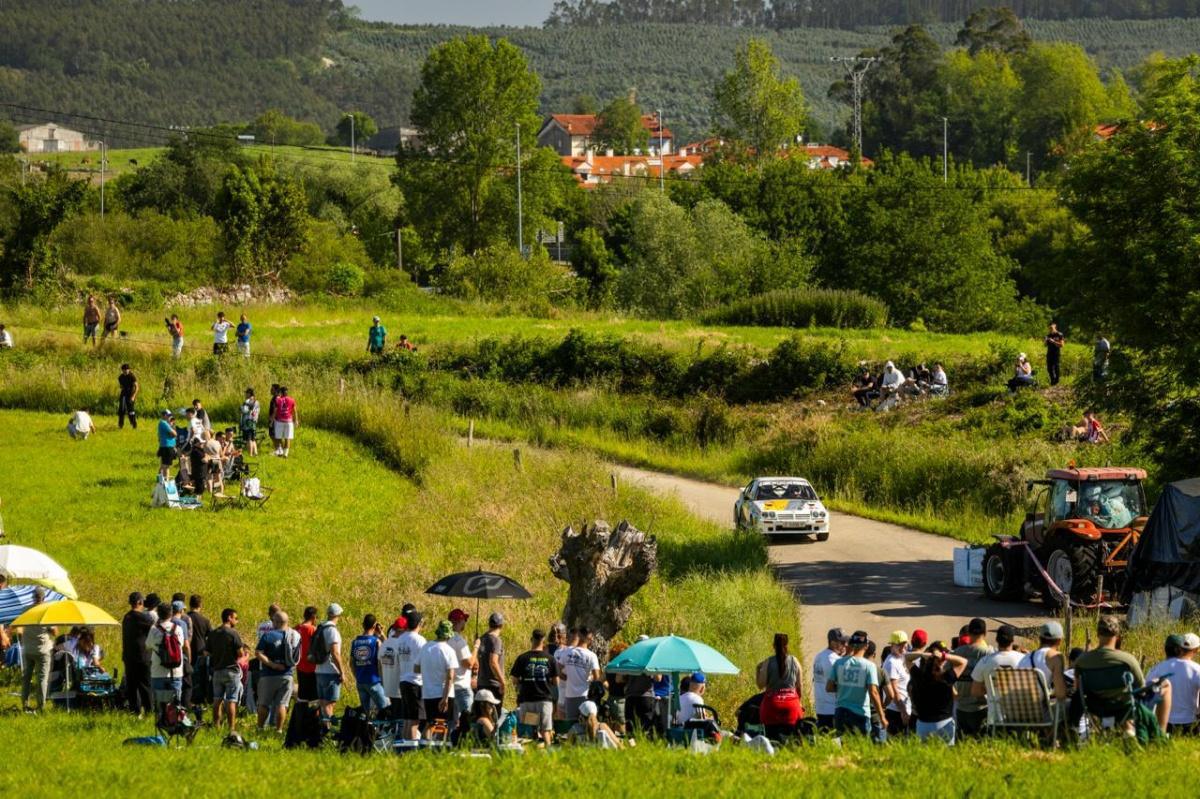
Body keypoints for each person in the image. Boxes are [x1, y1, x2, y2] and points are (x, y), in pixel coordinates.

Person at [1073, 615, 1171, 735]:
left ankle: (1126, 729)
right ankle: (1160, 733)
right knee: (1165, 684)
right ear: (1118, 636)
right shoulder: (1127, 660)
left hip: (1096, 708)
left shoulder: (1081, 661)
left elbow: (1078, 690)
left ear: (1098, 634)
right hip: (1124, 707)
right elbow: (1141, 688)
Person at [906, 641, 969, 744]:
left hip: (923, 724)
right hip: (943, 723)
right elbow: (963, 662)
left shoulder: (919, 676)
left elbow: (907, 658)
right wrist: (944, 656)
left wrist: (923, 654)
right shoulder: (947, 677)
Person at [828, 630, 885, 737]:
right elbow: (874, 692)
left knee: (845, 749)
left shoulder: (839, 663)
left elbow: (829, 687)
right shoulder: (869, 666)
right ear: (866, 646)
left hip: (841, 712)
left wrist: (845, 686)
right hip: (860, 714)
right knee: (860, 749)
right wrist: (882, 716)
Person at [510, 628, 559, 746]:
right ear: (544, 641)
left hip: (527, 700)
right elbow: (556, 681)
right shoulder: (550, 659)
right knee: (545, 730)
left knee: (529, 731)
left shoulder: (522, 658)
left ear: (531, 639)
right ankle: (548, 754)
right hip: (544, 700)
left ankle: (528, 755)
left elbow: (514, 679)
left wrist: (523, 682)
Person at [1147, 633, 1200, 735]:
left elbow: (1148, 694)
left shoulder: (1156, 669)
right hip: (1190, 722)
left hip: (1163, 722)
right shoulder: (1196, 669)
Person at [256, 611, 300, 732]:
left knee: (264, 703)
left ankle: (260, 728)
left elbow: (258, 653)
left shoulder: (268, 635)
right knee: (282, 704)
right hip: (287, 674)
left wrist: (272, 664)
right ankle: (279, 730)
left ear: (276, 622)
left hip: (268, 675)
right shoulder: (295, 635)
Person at [756, 632, 804, 740]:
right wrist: (799, 703)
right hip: (791, 706)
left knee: (771, 741)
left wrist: (757, 670)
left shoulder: (768, 662)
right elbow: (799, 686)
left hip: (771, 706)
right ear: (787, 646)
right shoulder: (795, 661)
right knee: (792, 743)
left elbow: (760, 685)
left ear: (773, 646)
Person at [952, 618, 993, 738]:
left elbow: (944, 676)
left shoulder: (957, 652)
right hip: (982, 706)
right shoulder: (989, 653)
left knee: (961, 744)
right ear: (985, 633)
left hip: (961, 706)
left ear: (969, 633)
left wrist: (953, 692)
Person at [969, 624, 1025, 709]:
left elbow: (975, 691)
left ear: (996, 640)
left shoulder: (985, 661)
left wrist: (989, 688)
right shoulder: (1023, 659)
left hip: (995, 716)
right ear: (1012, 641)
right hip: (1018, 713)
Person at [418, 620, 460, 734]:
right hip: (444, 693)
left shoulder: (426, 647)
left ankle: (425, 747)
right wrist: (445, 698)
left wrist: (428, 671)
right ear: (449, 635)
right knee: (443, 724)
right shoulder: (449, 651)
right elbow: (450, 677)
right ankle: (441, 748)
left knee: (430, 723)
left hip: (428, 693)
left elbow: (416, 669)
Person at [146, 606, 188, 716]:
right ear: (171, 614)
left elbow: (147, 645)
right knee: (176, 704)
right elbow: (182, 645)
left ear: (158, 614)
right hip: (175, 672)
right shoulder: (178, 628)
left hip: (158, 671)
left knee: (159, 704)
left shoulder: (154, 629)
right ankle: (174, 725)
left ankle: (161, 724)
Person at [19, 588, 56, 713]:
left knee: (26, 678)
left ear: (32, 597)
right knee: (41, 679)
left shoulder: (25, 610)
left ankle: (24, 705)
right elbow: (54, 632)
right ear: (43, 598)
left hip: (27, 649)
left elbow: (19, 627)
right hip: (42, 651)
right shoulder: (46, 612)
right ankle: (41, 706)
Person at [208, 608, 244, 731]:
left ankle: (216, 727)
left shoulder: (213, 633)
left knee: (217, 701)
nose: (237, 621)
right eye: (236, 618)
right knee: (231, 701)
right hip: (231, 671)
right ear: (229, 617)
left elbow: (207, 652)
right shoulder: (232, 633)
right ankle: (231, 728)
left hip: (217, 671)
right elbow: (240, 653)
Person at [1018, 621, 1068, 704]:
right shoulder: (1055, 657)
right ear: (1059, 641)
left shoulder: (1025, 658)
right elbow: (1061, 694)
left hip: (1016, 711)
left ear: (1039, 638)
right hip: (1041, 713)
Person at [121, 592, 155, 717]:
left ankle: (134, 711)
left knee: (132, 686)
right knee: (146, 685)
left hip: (129, 657)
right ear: (140, 602)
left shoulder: (127, 617)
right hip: (143, 657)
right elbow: (154, 629)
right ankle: (149, 711)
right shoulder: (143, 618)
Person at [312, 604, 345, 729]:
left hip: (319, 670)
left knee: (322, 702)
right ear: (337, 615)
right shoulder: (332, 630)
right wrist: (342, 671)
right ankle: (328, 731)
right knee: (329, 704)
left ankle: (322, 730)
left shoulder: (320, 628)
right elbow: (335, 653)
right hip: (330, 672)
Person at [559, 626, 602, 722]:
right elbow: (597, 678)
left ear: (579, 636)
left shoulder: (567, 652)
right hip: (584, 694)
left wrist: (565, 677)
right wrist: (590, 678)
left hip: (569, 694)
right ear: (590, 638)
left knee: (571, 722)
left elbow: (558, 669)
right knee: (586, 722)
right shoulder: (591, 656)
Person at [395, 611, 427, 738]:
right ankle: (412, 748)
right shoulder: (420, 640)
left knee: (408, 719)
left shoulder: (400, 639)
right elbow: (425, 662)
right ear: (419, 624)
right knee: (415, 720)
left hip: (403, 680)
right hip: (415, 682)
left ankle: (404, 746)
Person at [812, 628, 847, 730]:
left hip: (821, 707)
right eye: (842, 642)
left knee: (826, 739)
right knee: (836, 742)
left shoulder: (819, 656)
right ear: (832, 643)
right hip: (833, 708)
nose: (845, 645)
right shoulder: (835, 660)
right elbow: (841, 685)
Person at [446, 609, 475, 729]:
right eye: (464, 620)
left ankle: (450, 743)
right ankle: (464, 744)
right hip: (462, 686)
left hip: (450, 686)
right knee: (467, 720)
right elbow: (469, 663)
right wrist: (476, 647)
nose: (465, 623)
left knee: (452, 722)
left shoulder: (445, 639)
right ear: (458, 621)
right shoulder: (459, 641)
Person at [882, 631, 912, 735]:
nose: (903, 646)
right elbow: (894, 691)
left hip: (904, 709)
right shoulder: (891, 663)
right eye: (899, 644)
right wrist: (903, 712)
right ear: (892, 645)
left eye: (905, 643)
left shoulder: (901, 657)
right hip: (896, 712)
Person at [188, 595, 212, 706]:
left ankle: (187, 698)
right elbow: (211, 637)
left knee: (187, 676)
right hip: (200, 651)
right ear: (200, 605)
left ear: (189, 604)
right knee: (200, 678)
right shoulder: (205, 620)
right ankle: (199, 700)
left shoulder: (184, 618)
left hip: (186, 651)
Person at [478, 612, 507, 704]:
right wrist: (502, 682)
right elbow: (493, 662)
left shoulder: (481, 638)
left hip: (481, 683)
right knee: (494, 715)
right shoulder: (496, 640)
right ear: (501, 625)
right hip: (493, 684)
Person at [294, 606, 319, 704]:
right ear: (313, 617)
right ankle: (313, 717)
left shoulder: (297, 628)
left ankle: (301, 717)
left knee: (302, 695)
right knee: (314, 697)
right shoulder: (312, 629)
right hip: (312, 666)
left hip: (299, 665)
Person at [273, 386, 297, 458]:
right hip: (289, 421)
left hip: (279, 421)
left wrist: (272, 420)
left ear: (281, 392)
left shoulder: (278, 400)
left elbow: (275, 411)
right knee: (287, 437)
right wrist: (296, 420)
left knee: (278, 437)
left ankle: (280, 451)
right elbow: (295, 411)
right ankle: (285, 454)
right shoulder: (292, 400)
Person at [156, 409, 177, 480]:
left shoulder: (165, 423)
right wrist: (172, 428)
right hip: (167, 446)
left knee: (163, 465)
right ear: (164, 415)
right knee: (166, 466)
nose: (169, 417)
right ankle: (166, 482)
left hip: (165, 446)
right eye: (168, 415)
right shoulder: (164, 423)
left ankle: (159, 480)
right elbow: (174, 434)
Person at [239, 388, 260, 457]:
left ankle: (250, 454)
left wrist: (241, 408)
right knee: (253, 439)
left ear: (249, 393)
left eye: (246, 393)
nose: (245, 394)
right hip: (253, 421)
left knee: (248, 439)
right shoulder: (256, 401)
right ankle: (255, 453)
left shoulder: (247, 401)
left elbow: (244, 411)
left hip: (247, 421)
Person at [117, 363, 139, 430]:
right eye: (124, 370)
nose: (126, 371)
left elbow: (137, 387)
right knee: (121, 410)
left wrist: (133, 396)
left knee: (131, 411)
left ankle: (134, 424)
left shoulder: (132, 376)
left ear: (129, 370)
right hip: (123, 394)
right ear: (122, 370)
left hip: (131, 394)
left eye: (127, 369)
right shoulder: (120, 377)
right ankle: (120, 425)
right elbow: (121, 386)